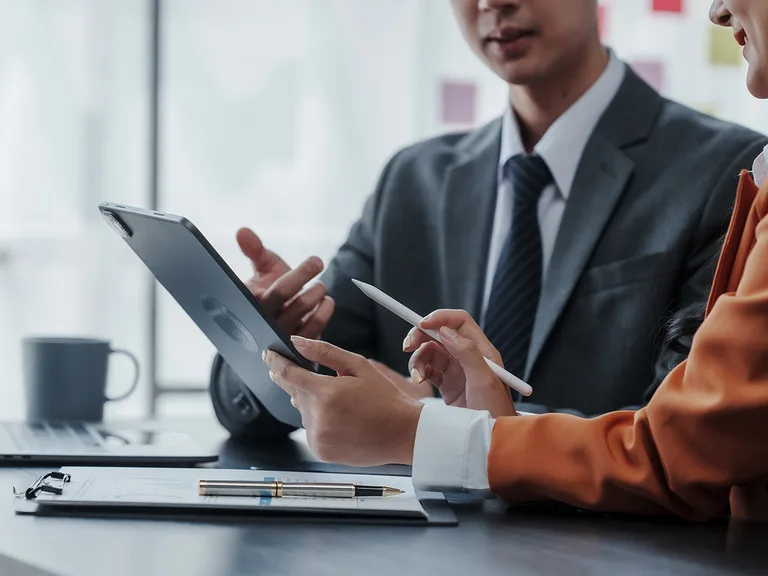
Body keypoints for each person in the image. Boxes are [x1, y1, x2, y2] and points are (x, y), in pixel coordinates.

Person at [262, 0, 768, 523]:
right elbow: (305, 378)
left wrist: (429, 426)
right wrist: (263, 338)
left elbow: (687, 440)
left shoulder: (730, 171)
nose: (492, 4)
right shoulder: (411, 180)